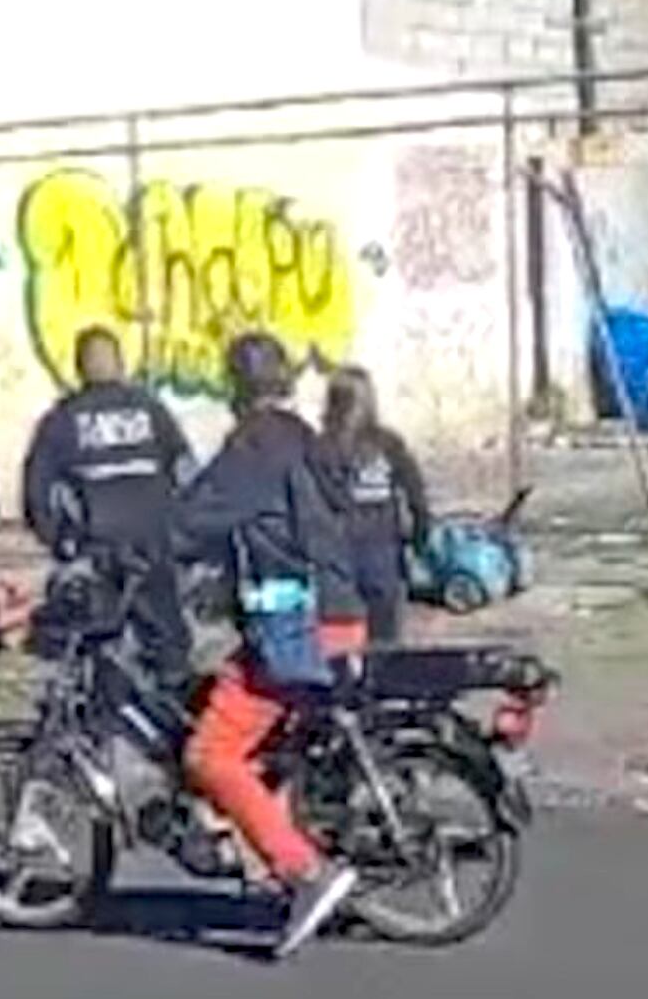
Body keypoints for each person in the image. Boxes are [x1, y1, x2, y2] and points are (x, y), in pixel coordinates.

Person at [174, 333, 365, 959]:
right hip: (342, 612)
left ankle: (305, 873)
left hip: (294, 624)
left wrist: (144, 545)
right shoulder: (305, 439)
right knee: (236, 696)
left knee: (210, 752)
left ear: (235, 387)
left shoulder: (254, 443)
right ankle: (266, 819)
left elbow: (197, 516)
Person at [21, 326, 195, 694]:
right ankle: (172, 706)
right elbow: (185, 469)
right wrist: (189, 531)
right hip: (153, 535)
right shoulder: (150, 409)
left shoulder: (63, 419)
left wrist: (59, 541)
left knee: (100, 632)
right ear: (119, 362)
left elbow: (37, 491)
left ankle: (106, 710)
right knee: (166, 632)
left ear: (79, 368)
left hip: (100, 542)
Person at [319, 365, 431, 644]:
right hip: (383, 554)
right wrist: (420, 539)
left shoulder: (320, 447)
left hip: (337, 557)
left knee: (341, 643)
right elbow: (416, 495)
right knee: (386, 641)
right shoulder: (389, 443)